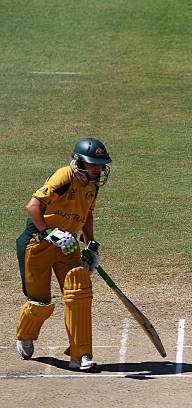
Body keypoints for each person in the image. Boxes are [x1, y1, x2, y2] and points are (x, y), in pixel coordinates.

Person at [15, 137, 112, 370]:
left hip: (68, 245)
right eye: (93, 164)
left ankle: (81, 354)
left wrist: (90, 245)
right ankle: (25, 334)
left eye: (100, 164)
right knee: (40, 302)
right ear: (79, 162)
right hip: (37, 243)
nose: (97, 169)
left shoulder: (92, 186)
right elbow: (33, 206)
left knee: (79, 294)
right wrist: (49, 233)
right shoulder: (65, 176)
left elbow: (87, 215)